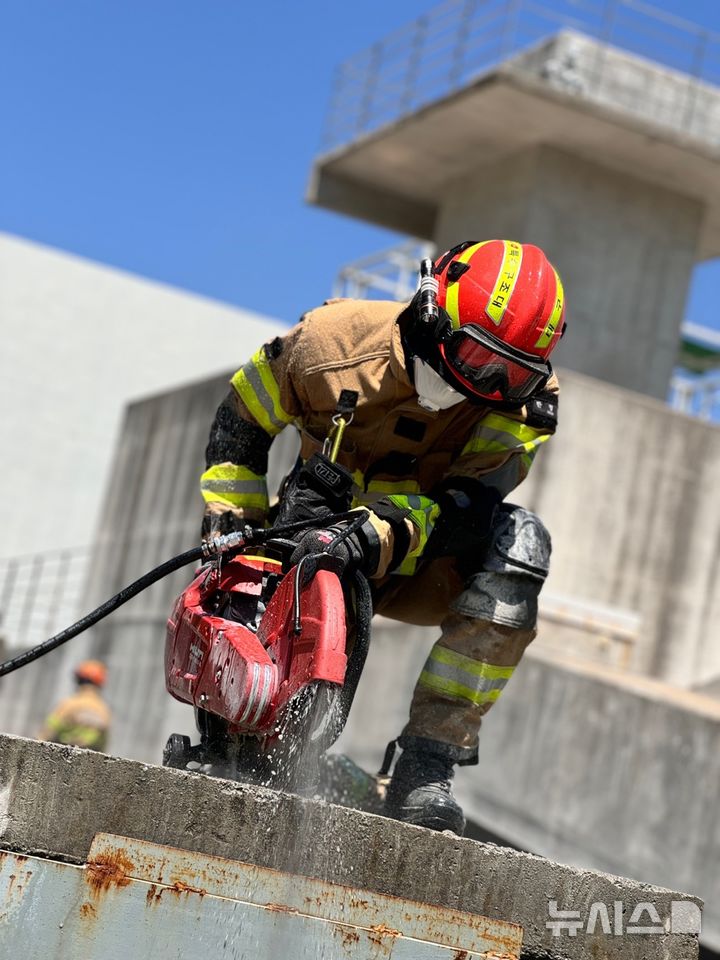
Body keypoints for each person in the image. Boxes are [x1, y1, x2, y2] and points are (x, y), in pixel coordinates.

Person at [200, 239, 565, 834]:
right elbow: (241, 420)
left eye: (511, 374)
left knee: (522, 543)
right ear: (431, 307)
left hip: (424, 560)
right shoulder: (327, 344)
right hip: (303, 542)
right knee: (269, 758)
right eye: (475, 356)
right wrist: (236, 531)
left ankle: (425, 767)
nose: (487, 384)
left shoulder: (526, 407)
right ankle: (253, 737)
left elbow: (470, 506)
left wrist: (386, 529)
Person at [38, 659, 111, 752]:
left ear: (79, 680)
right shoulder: (104, 710)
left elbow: (48, 731)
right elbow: (103, 743)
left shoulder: (70, 703)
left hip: (62, 755)